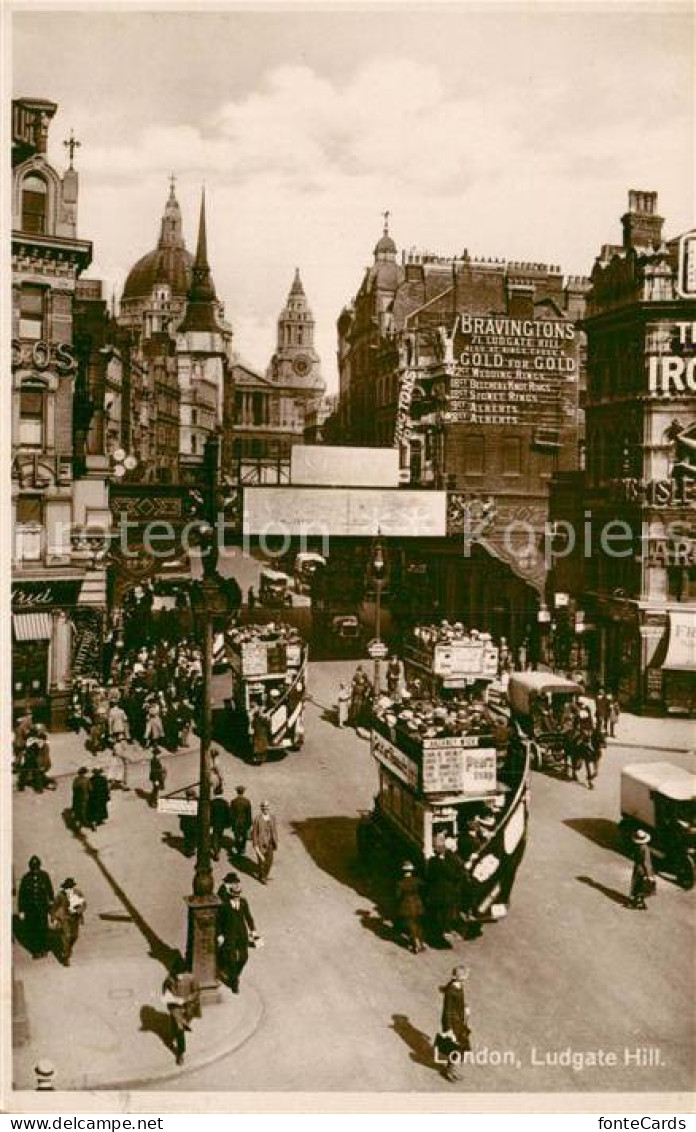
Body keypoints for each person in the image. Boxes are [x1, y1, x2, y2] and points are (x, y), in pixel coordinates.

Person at [217, 877, 257, 993]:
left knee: (244, 958)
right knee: (232, 959)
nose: (237, 896)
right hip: (229, 935)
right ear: (230, 894)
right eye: (235, 894)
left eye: (238, 894)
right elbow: (219, 921)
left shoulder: (243, 902)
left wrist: (253, 930)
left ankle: (233, 974)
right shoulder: (224, 905)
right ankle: (234, 983)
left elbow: (248, 917)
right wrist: (220, 934)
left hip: (242, 934)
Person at [161, 956, 199, 1066]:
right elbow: (165, 995)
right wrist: (173, 1000)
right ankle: (181, 1053)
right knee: (179, 1028)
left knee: (178, 1026)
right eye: (177, 975)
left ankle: (178, 1028)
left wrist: (188, 999)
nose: (180, 977)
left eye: (182, 974)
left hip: (187, 1006)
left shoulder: (191, 978)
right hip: (175, 1007)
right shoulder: (169, 981)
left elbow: (196, 992)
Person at [438, 966, 472, 1082]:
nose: (466, 977)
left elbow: (458, 1001)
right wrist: (449, 1030)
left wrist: (464, 1007)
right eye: (464, 975)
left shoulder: (458, 985)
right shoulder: (451, 990)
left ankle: (451, 1070)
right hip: (452, 1022)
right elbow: (447, 1010)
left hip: (458, 1021)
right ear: (458, 977)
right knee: (456, 1047)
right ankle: (449, 1071)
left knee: (459, 1047)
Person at [17, 856, 54, 959]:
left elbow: (50, 890)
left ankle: (43, 949)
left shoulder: (44, 876)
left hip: (42, 908)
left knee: (43, 929)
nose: (35, 870)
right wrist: (21, 911)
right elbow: (22, 895)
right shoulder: (26, 878)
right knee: (33, 930)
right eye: (33, 868)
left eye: (36, 868)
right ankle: (36, 951)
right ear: (30, 867)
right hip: (31, 910)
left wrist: (51, 903)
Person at [50, 877, 87, 966]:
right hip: (64, 918)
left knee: (74, 936)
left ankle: (68, 949)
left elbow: (84, 905)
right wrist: (54, 918)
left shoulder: (78, 893)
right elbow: (54, 907)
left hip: (75, 918)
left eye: (70, 888)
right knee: (67, 936)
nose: (69, 890)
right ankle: (65, 957)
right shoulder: (60, 895)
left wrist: (78, 911)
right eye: (67, 888)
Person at [395, 861, 425, 953]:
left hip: (406, 905)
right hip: (417, 904)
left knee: (411, 924)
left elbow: (397, 896)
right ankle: (420, 942)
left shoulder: (400, 883)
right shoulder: (418, 881)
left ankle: (415, 943)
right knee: (418, 924)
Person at [251, 800, 278, 884]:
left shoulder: (272, 817)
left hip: (270, 843)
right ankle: (263, 877)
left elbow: (274, 830)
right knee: (261, 861)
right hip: (260, 844)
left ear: (268, 808)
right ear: (261, 808)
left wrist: (275, 840)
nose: (265, 809)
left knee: (270, 861)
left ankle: (264, 875)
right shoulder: (257, 819)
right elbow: (254, 833)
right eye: (263, 808)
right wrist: (255, 845)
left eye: (267, 808)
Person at [629, 830, 656, 910]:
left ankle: (638, 902)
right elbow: (647, 862)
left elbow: (644, 861)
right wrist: (649, 875)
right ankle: (639, 902)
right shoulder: (645, 848)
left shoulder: (639, 848)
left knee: (638, 885)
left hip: (639, 869)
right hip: (642, 870)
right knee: (641, 886)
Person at [228, 786, 252, 858]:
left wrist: (231, 823)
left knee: (237, 836)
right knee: (244, 837)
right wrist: (249, 823)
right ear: (243, 792)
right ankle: (242, 850)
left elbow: (231, 814)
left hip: (236, 822)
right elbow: (249, 813)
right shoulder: (247, 801)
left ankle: (237, 849)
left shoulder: (233, 801)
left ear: (237, 792)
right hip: (244, 822)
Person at [210, 788, 229, 861]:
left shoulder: (212, 802)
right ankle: (218, 850)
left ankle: (215, 851)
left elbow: (210, 813)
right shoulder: (225, 802)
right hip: (222, 823)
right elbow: (228, 813)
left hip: (214, 823)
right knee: (220, 836)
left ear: (214, 793)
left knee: (215, 836)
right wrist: (227, 823)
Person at [179, 791, 198, 857]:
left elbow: (179, 814)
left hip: (187, 824)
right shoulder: (197, 802)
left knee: (189, 837)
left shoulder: (183, 803)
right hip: (192, 824)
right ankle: (190, 850)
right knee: (191, 837)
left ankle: (189, 850)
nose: (190, 797)